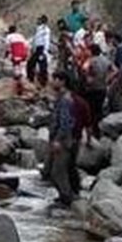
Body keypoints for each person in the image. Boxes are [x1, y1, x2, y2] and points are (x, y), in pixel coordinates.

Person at [48, 70, 76, 207]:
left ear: (62, 81)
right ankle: (64, 197)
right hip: (60, 139)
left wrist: (58, 140)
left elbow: (65, 123)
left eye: (55, 79)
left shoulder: (65, 100)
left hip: (63, 141)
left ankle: (67, 199)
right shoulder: (62, 97)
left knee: (58, 172)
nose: (52, 82)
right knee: (58, 171)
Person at [83, 44, 116, 137]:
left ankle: (93, 131)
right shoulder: (106, 60)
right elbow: (115, 70)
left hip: (92, 88)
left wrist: (89, 78)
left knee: (91, 110)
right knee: (99, 109)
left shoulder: (91, 61)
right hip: (103, 88)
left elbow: (84, 69)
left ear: (91, 51)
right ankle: (99, 130)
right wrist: (108, 79)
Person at [27, 15, 51, 87]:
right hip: (36, 49)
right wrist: (32, 48)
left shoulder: (46, 29)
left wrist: (44, 52)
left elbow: (46, 40)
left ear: (42, 21)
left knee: (42, 67)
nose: (37, 21)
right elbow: (35, 40)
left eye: (39, 20)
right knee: (30, 64)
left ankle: (43, 83)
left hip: (42, 49)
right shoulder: (38, 29)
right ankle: (31, 80)